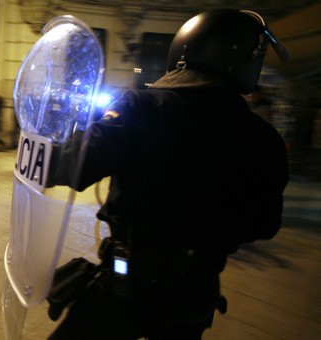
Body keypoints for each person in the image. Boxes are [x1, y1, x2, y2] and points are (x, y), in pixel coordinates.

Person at [46, 9, 289, 339]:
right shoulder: (264, 138)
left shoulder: (143, 106)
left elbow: (76, 164)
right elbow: (264, 224)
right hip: (195, 292)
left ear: (186, 49)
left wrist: (42, 151)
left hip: (126, 287)